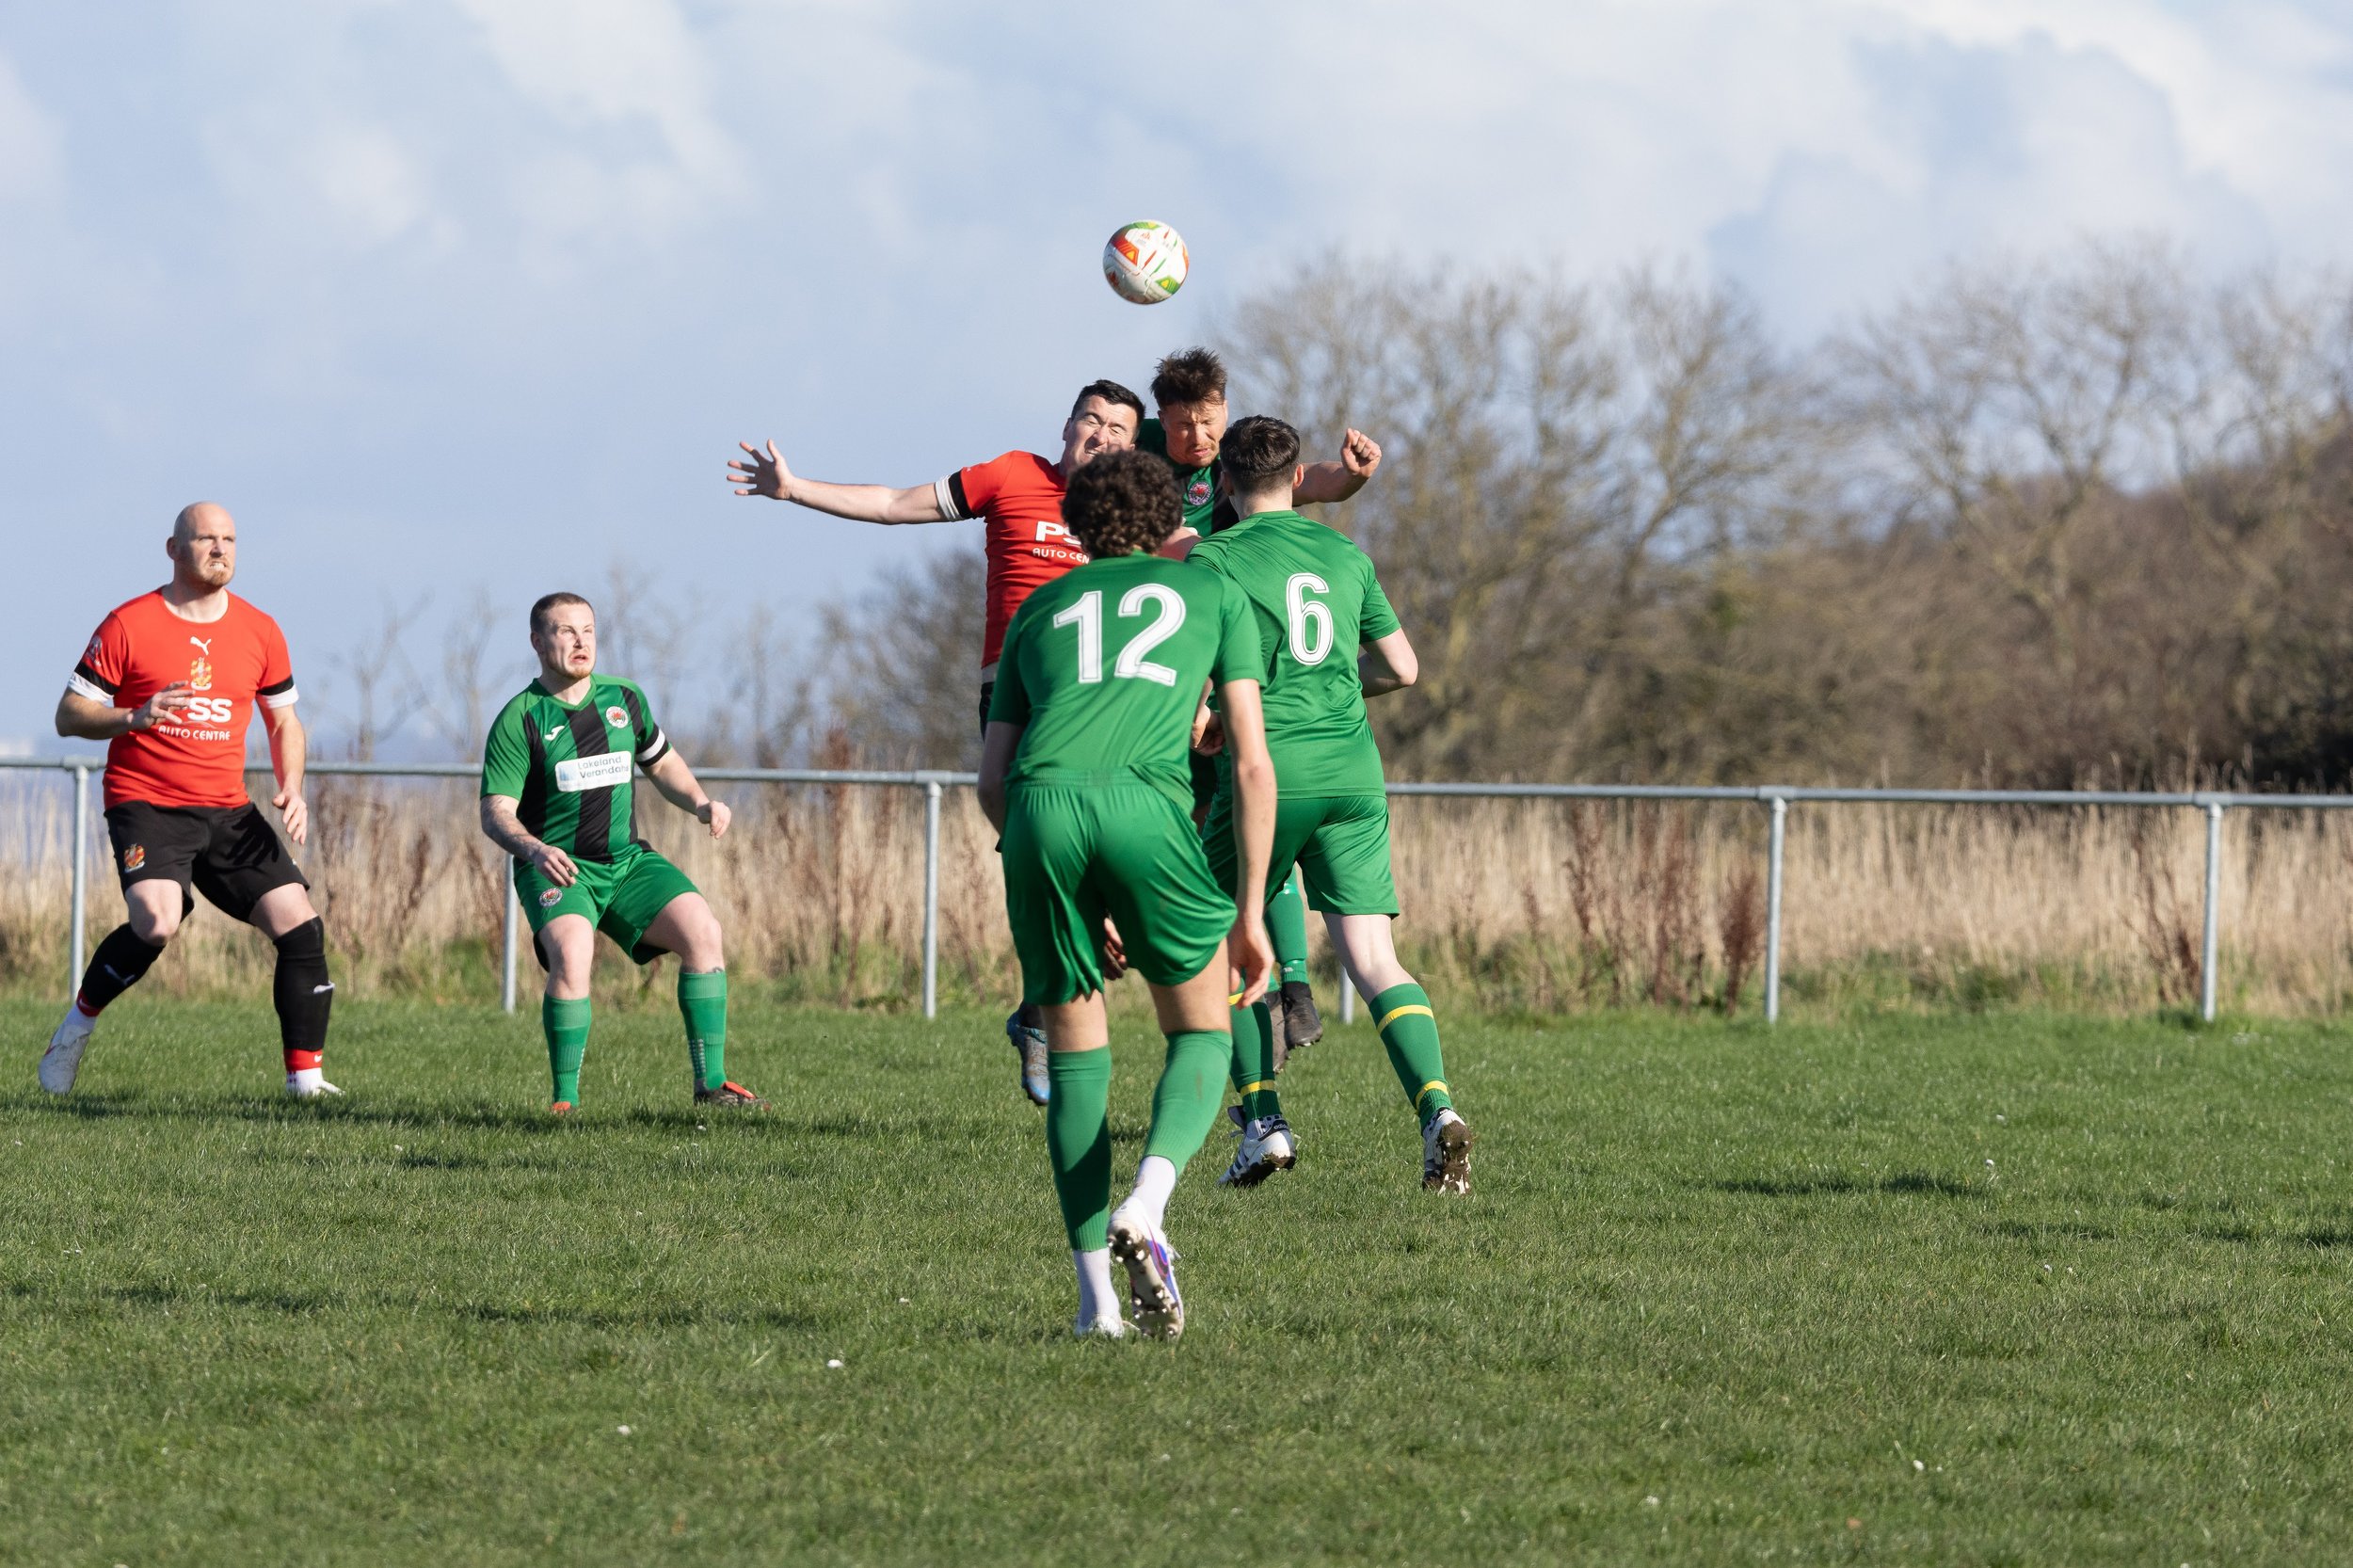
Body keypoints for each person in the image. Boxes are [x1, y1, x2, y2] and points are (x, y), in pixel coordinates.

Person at [727, 382, 1144, 1109]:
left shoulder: (1137, 521)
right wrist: (794, 489)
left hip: (1104, 706)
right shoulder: (1013, 476)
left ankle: (1044, 1004)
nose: (1102, 436)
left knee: (1083, 856)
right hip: (1019, 699)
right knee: (1050, 849)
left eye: (1118, 429)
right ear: (1067, 426)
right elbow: (895, 504)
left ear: (1134, 449)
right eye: (1091, 420)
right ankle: (1053, 994)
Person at [977, 449, 1275, 1338]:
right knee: (1201, 1028)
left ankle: (1094, 1306)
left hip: (1036, 809)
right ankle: (1146, 1203)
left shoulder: (1037, 610)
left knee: (1073, 1056)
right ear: (1171, 524)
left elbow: (990, 780)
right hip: (1146, 808)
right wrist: (1252, 908)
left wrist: (1073, 880)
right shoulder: (1215, 595)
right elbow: (1253, 763)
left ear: (1074, 526)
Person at [1182, 417, 1475, 1194]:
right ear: (1292, 476)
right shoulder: (1347, 554)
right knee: (1376, 961)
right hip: (1352, 773)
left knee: (1220, 943)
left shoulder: (1213, 558)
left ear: (1224, 481)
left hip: (1267, 773)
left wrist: (1209, 720)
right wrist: (1340, 688)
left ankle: (1262, 1124)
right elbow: (1403, 669)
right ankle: (1437, 1111)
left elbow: (1197, 683)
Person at [1139, 346, 1384, 1069]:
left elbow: (1311, 483)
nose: (1199, 436)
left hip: (1243, 678)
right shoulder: (1143, 457)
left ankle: (1287, 995)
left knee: (1241, 823)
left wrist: (1359, 476)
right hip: (1188, 668)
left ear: (1224, 405)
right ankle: (1281, 994)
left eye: (1210, 419)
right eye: (1184, 424)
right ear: (1162, 420)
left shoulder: (1240, 467)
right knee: (1231, 827)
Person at [42, 502, 339, 1098]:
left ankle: (305, 1081)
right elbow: (68, 716)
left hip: (228, 811)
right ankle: (76, 1027)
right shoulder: (129, 623)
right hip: (146, 803)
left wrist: (293, 786)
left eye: (230, 538)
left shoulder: (260, 629)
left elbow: (285, 722)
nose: (221, 549)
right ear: (174, 549)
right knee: (156, 921)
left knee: (301, 927)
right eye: (206, 539)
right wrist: (131, 716)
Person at [478, 593, 761, 1115]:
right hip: (560, 869)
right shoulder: (521, 719)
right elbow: (495, 812)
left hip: (627, 862)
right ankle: (565, 1102)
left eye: (588, 629)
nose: (580, 640)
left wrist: (700, 803)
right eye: (565, 631)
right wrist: (534, 849)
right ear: (538, 643)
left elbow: (662, 762)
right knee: (572, 955)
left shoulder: (624, 699)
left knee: (703, 932)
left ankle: (713, 1087)